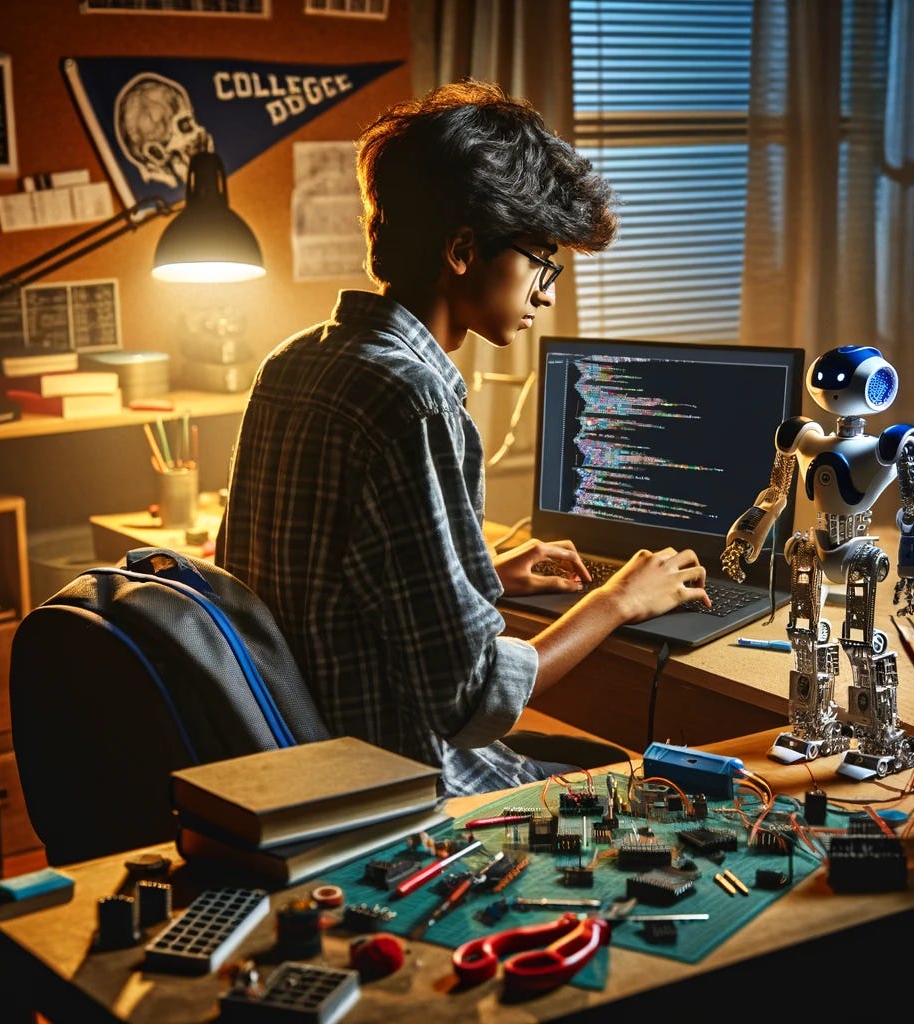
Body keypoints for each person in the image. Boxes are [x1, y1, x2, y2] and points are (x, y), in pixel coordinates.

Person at [218, 79, 710, 797]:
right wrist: (619, 601)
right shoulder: (414, 401)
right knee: (669, 783)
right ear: (460, 250)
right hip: (406, 786)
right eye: (540, 261)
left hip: (305, 764)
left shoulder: (291, 362)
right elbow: (471, 701)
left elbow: (324, 586)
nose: (547, 291)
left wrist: (483, 572)